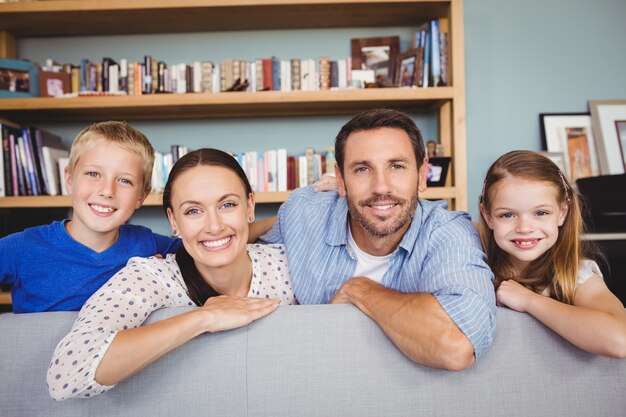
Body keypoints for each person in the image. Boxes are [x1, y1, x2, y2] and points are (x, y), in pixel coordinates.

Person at [47, 148, 296, 400]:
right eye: (193, 211)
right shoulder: (151, 276)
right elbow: (66, 377)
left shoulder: (289, 264)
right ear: (173, 220)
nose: (214, 226)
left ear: (249, 205)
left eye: (228, 204)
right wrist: (204, 318)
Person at [261, 108, 496, 370]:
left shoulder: (448, 232)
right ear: (340, 179)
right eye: (362, 169)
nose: (381, 187)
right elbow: (243, 245)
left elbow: (456, 346)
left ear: (421, 174)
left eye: (396, 166)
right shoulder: (303, 210)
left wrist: (360, 289)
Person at [0, 121, 180, 313]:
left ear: (141, 196)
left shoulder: (148, 244)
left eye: (124, 180)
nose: (107, 191)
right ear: (69, 180)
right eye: (93, 174)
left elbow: (207, 258)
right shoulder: (23, 247)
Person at [479, 150, 626, 358]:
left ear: (562, 213)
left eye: (541, 213)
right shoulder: (474, 263)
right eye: (507, 214)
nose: (524, 227)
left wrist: (529, 301)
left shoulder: (576, 276)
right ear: (488, 216)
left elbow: (619, 340)